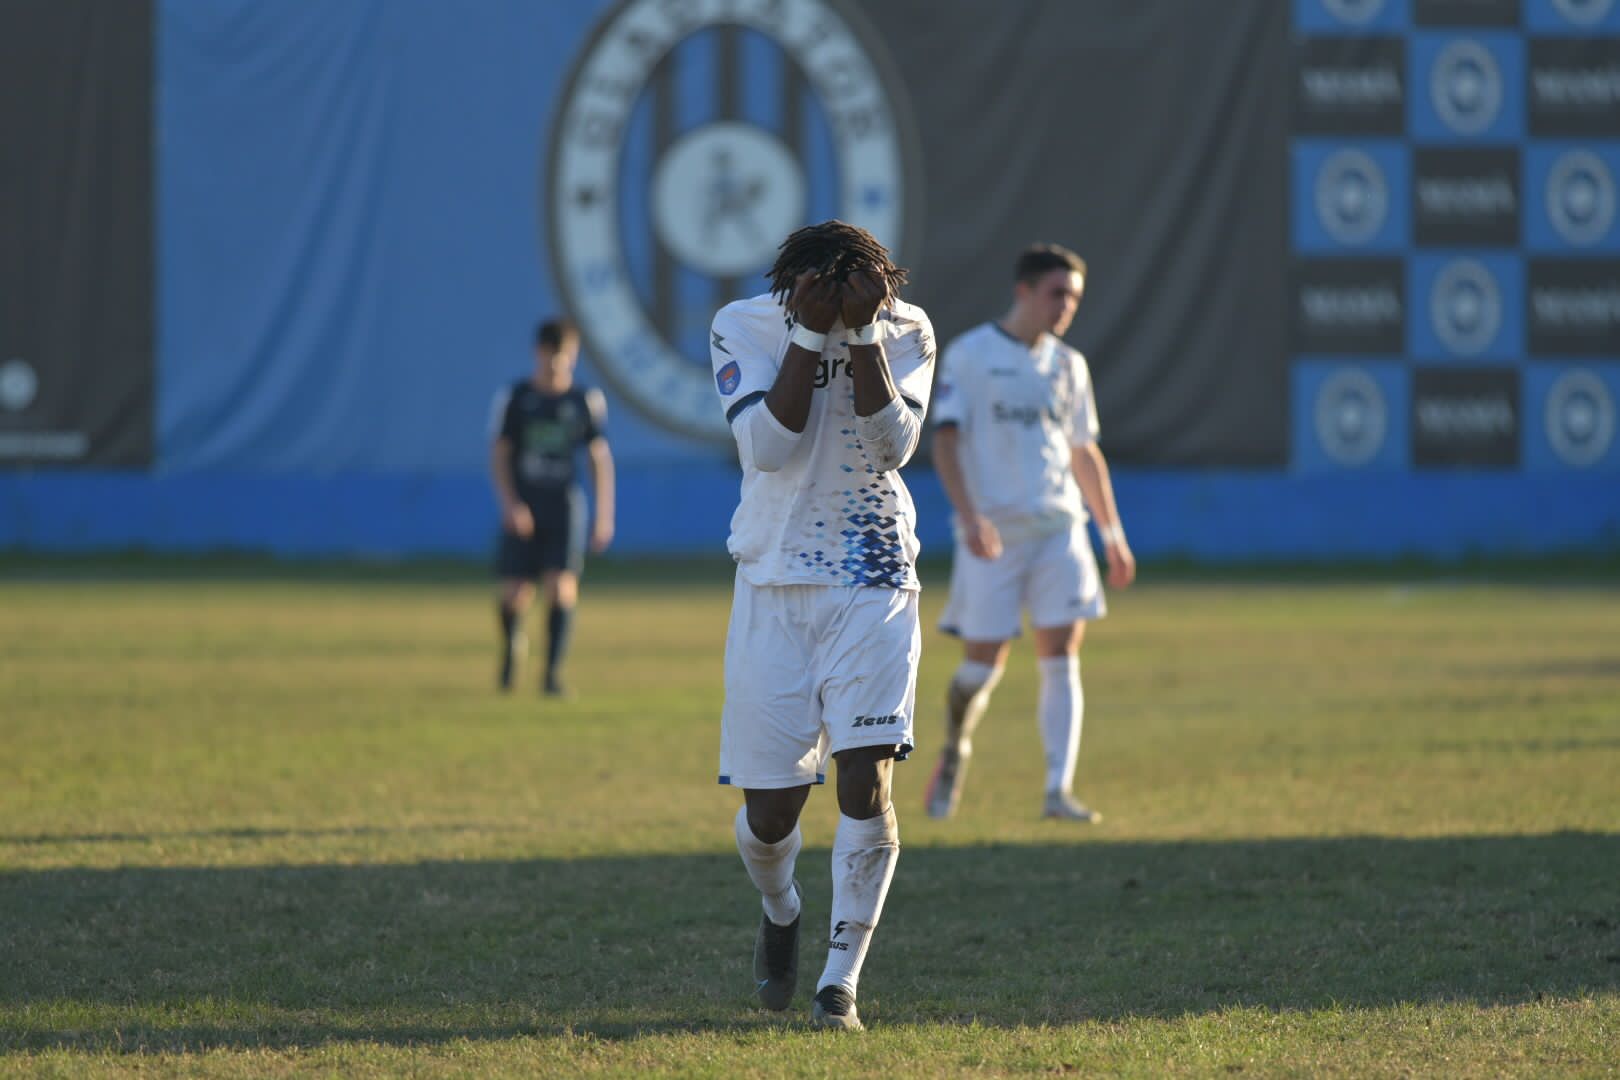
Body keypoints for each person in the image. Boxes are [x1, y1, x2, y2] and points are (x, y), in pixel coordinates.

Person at [709, 220, 936, 1031]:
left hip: (874, 579)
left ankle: (839, 984)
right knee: (771, 815)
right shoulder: (745, 325)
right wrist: (809, 330)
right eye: (824, 289)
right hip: (773, 583)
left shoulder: (906, 329)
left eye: (861, 288)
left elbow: (894, 445)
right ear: (790, 286)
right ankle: (781, 911)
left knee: (863, 780)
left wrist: (866, 331)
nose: (844, 301)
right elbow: (768, 447)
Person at [924, 243, 1135, 823]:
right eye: (1056, 293)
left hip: (1060, 530)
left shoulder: (1069, 365)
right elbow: (944, 442)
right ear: (1023, 291)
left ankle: (1056, 792)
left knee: (1062, 655)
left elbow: (1083, 450)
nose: (1066, 306)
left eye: (1073, 297)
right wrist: (969, 518)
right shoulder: (969, 354)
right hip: (993, 533)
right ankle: (954, 748)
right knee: (980, 668)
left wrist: (1111, 534)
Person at [488, 318, 614, 695]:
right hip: (526, 502)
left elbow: (598, 457)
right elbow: (499, 454)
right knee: (514, 594)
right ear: (537, 353)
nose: (557, 365)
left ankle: (552, 676)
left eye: (566, 357)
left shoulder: (584, 401)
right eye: (551, 356)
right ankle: (512, 647)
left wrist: (604, 514)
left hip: (563, 504)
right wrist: (510, 503)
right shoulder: (517, 399)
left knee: (561, 588)